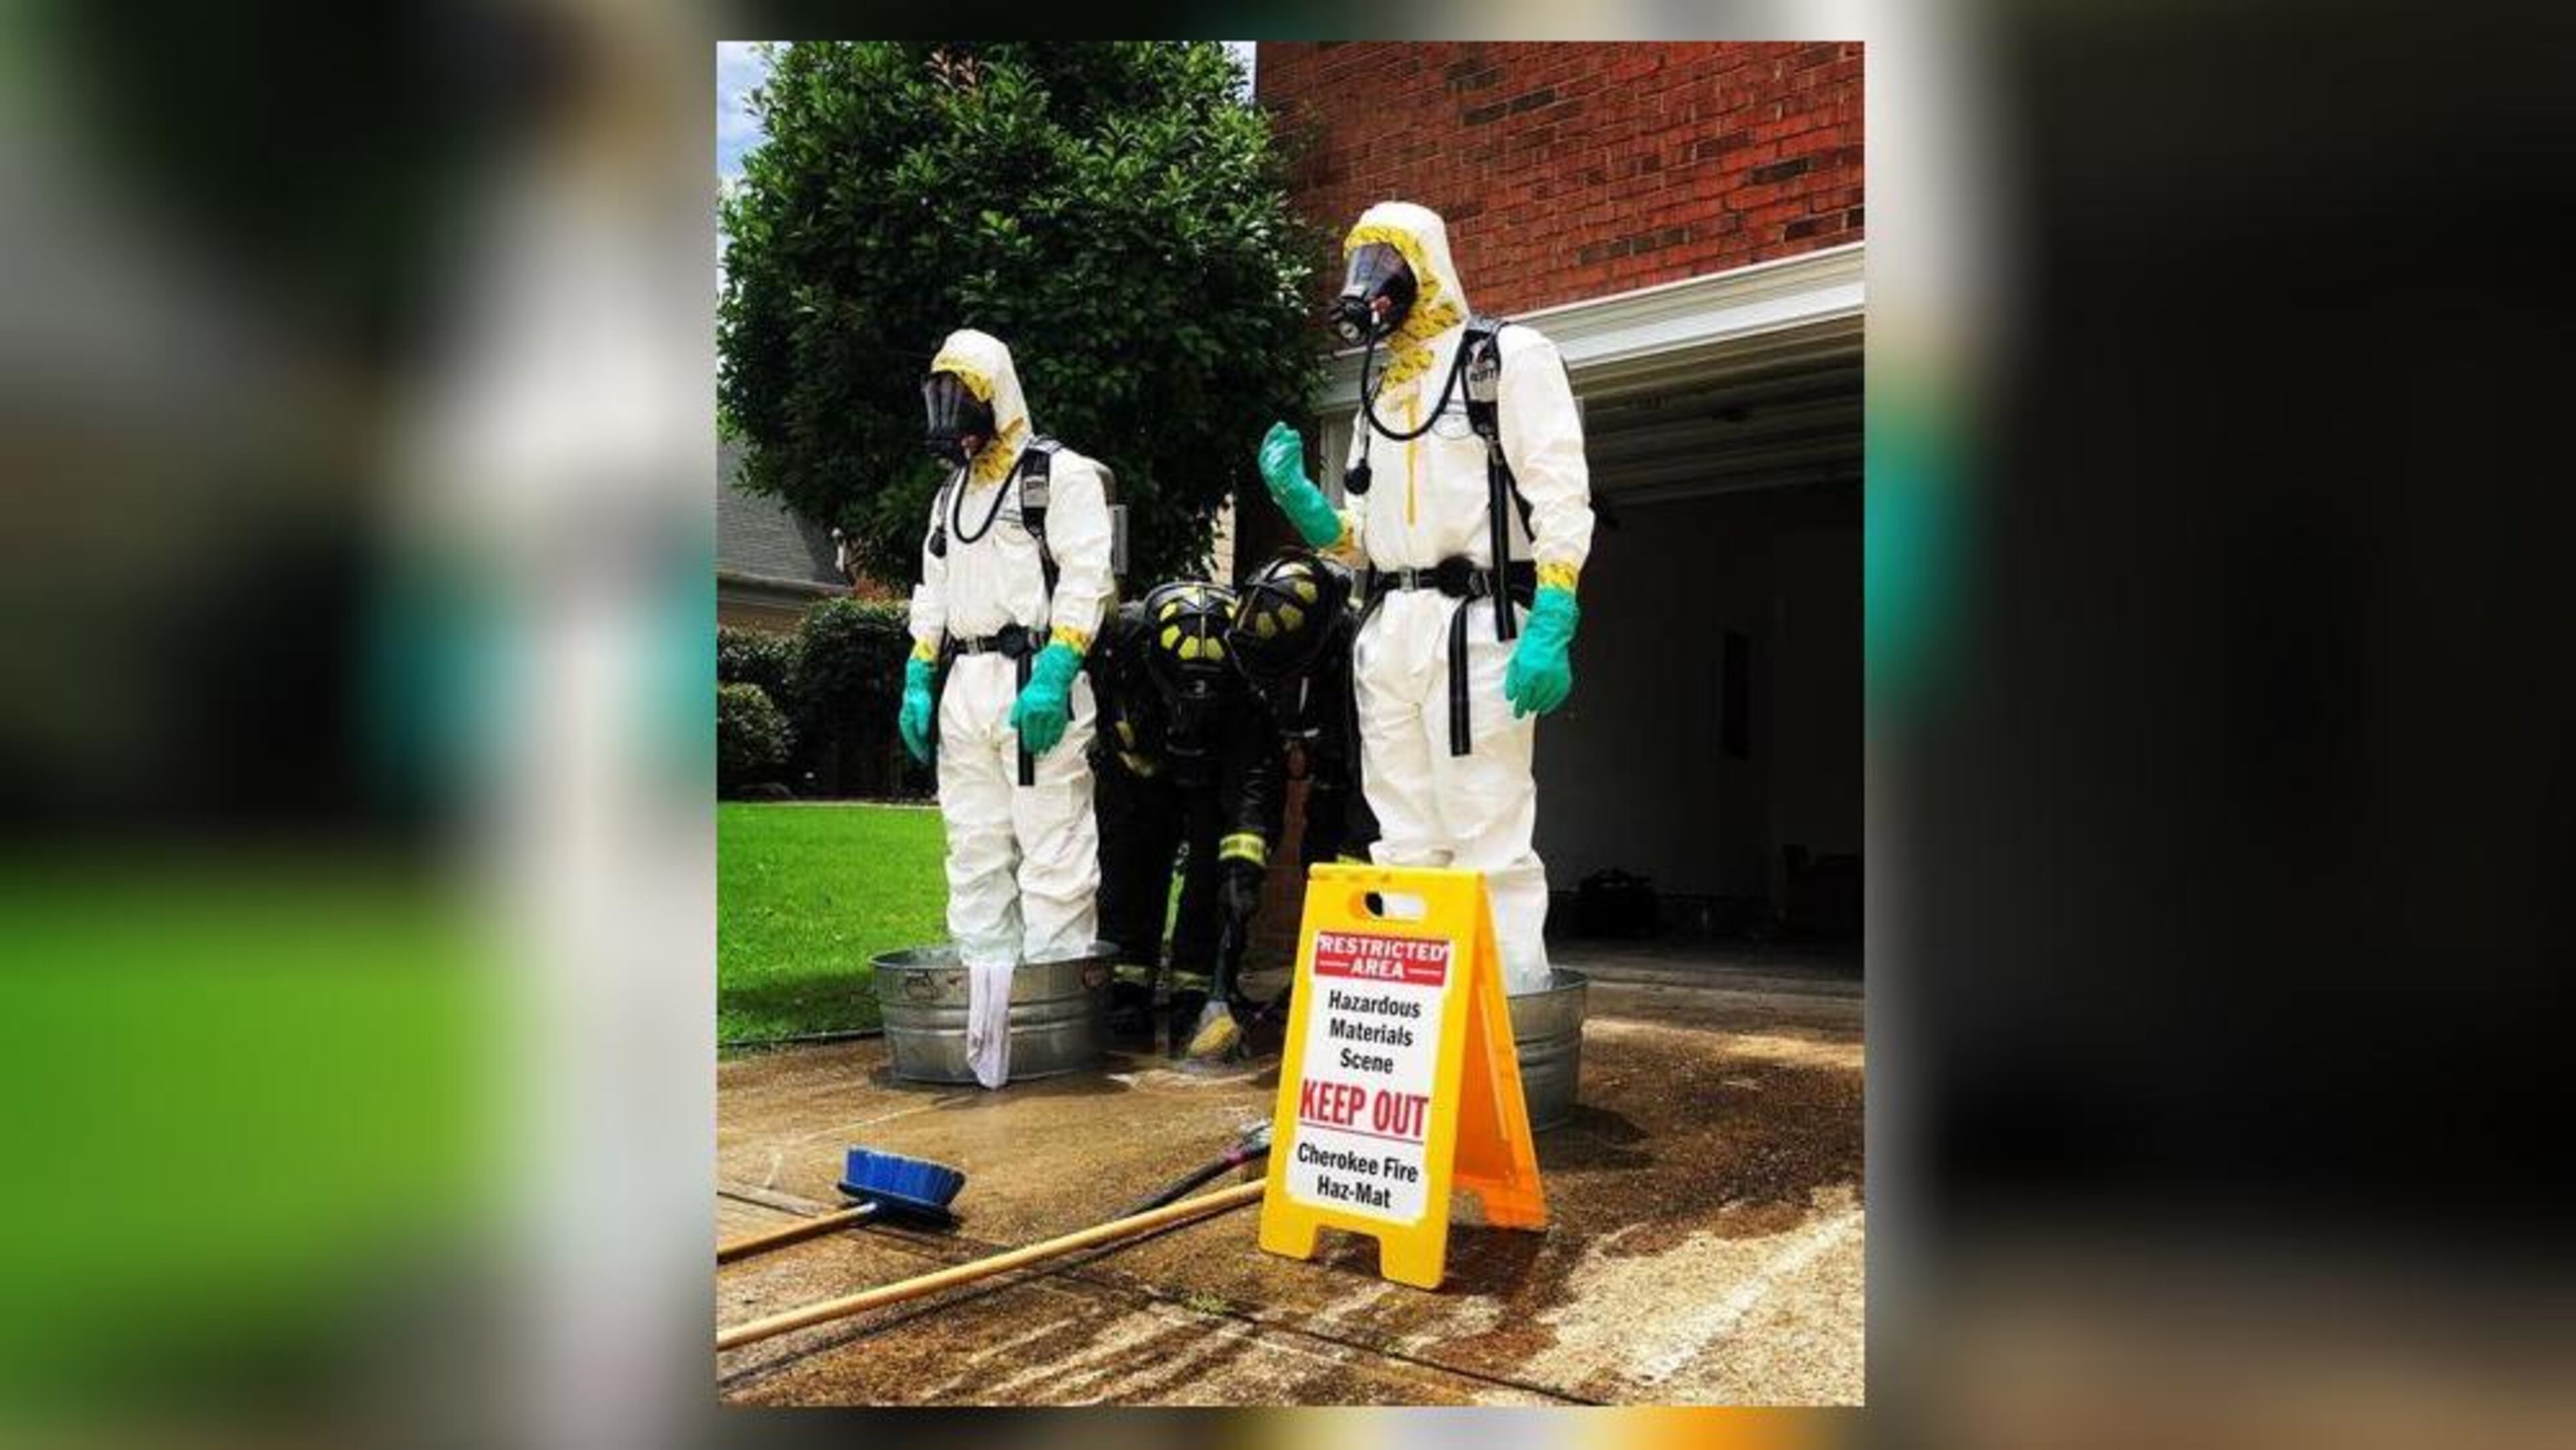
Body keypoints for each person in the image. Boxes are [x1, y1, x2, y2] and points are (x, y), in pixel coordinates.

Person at [1252, 201, 1594, 995]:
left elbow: (1560, 495)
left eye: (1384, 261)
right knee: (1403, 835)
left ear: (1425, 265)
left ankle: (1506, 1018)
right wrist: (1307, 506)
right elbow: (1364, 538)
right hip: (1390, 629)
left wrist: (1554, 614)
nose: (1368, 281)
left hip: (1477, 623)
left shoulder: (1503, 358)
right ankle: (1418, 1022)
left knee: (1487, 828)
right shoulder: (1383, 392)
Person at [898, 329, 1114, 1088]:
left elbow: (1087, 577)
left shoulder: (1059, 476)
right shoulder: (950, 495)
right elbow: (932, 592)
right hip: (965, 684)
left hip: (1034, 678)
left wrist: (1057, 670)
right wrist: (918, 673)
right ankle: (985, 1033)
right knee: (975, 854)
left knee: (1055, 857)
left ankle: (1055, 1038)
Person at [1086, 582, 1283, 1058]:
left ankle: (1196, 995)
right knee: (1129, 868)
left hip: (1215, 777)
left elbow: (1254, 782)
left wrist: (1244, 869)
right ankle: (1127, 987)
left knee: (1212, 879)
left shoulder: (1249, 678)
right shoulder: (1125, 648)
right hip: (1138, 774)